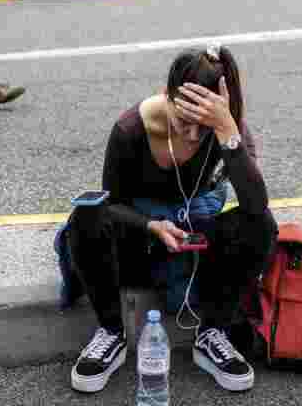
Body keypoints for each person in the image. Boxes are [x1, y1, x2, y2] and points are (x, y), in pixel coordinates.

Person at [67, 46, 276, 394]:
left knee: (260, 224)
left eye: (203, 126)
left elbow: (256, 205)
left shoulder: (228, 128)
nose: (192, 136)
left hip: (196, 243)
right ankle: (111, 333)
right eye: (183, 123)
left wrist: (226, 129)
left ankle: (213, 333)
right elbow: (112, 205)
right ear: (167, 95)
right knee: (86, 216)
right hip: (142, 241)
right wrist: (150, 225)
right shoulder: (131, 128)